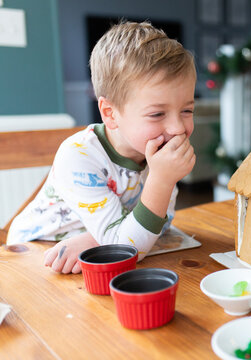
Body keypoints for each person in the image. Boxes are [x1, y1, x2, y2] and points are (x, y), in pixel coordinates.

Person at [7, 21, 197, 274]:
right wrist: (161, 181)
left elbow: (160, 225)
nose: (177, 128)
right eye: (157, 114)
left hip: (95, 254)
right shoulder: (80, 156)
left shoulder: (158, 153)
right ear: (110, 113)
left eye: (187, 110)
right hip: (35, 258)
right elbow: (128, 249)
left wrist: (98, 241)